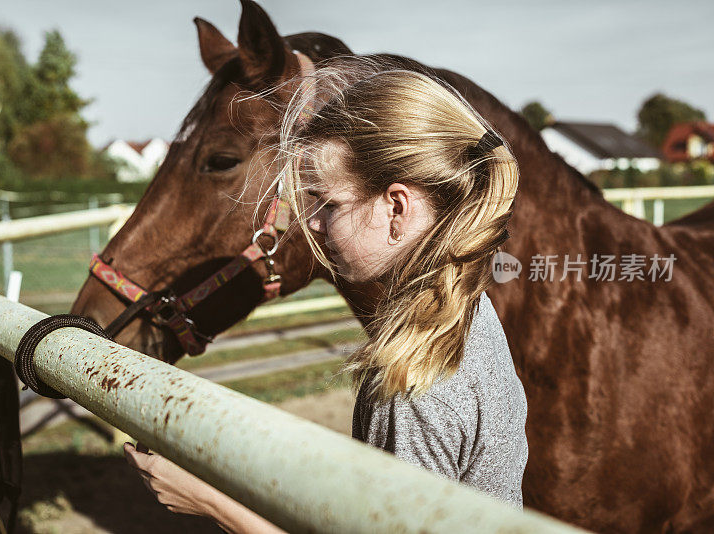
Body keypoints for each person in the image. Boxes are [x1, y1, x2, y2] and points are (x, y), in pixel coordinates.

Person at [124, 54, 527, 532]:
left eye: (327, 202)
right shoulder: (466, 309)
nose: (311, 223)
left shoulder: (415, 385)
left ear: (397, 207)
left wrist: (212, 501)